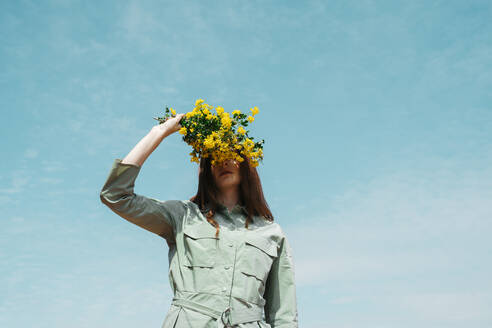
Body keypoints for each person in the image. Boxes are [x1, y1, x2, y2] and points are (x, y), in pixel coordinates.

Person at [99, 113, 298, 327]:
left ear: (246, 164)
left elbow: (283, 316)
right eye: (214, 157)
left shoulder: (271, 233)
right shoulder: (183, 215)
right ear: (206, 170)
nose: (222, 161)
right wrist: (160, 132)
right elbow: (115, 195)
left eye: (230, 154)